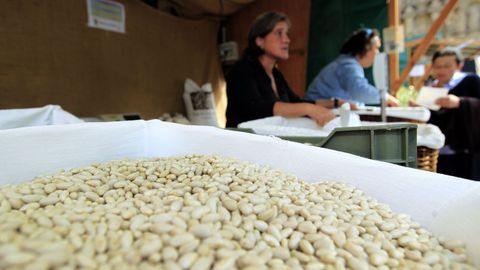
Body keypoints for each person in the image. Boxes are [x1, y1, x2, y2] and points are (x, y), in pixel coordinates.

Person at [225, 11, 337, 128]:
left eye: (286, 34)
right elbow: (255, 108)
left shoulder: (276, 74)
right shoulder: (241, 71)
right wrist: (307, 109)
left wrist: (335, 103)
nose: (287, 40)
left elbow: (295, 102)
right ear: (259, 41)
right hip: (241, 141)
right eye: (279, 33)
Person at [305, 29, 399, 106]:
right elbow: (359, 91)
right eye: (376, 48)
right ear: (366, 48)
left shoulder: (346, 62)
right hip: (313, 114)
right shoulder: (348, 65)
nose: (377, 53)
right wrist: (385, 97)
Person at [427, 48, 480, 180]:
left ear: (459, 65)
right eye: (438, 66)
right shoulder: (431, 87)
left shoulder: (471, 81)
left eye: (447, 66)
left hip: (466, 154)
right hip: (438, 153)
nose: (441, 70)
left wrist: (460, 102)